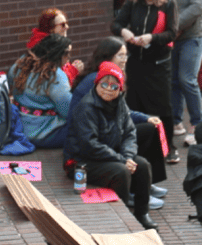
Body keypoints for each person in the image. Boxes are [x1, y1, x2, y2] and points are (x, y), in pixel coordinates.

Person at [68, 40, 169, 201]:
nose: (125, 59)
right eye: (120, 55)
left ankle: (145, 183)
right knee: (130, 154)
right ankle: (136, 187)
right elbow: (90, 139)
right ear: (107, 57)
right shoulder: (99, 81)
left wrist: (146, 118)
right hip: (91, 139)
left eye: (125, 55)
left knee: (149, 128)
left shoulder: (111, 77)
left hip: (105, 131)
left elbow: (123, 113)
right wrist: (123, 159)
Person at [66, 63, 157, 229]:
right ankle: (123, 219)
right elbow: (89, 145)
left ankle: (142, 213)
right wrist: (122, 160)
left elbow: (130, 133)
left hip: (110, 155)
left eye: (114, 86)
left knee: (143, 165)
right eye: (104, 84)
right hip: (83, 161)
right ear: (96, 84)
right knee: (121, 171)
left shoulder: (120, 103)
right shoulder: (86, 107)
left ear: (120, 89)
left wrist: (128, 157)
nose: (108, 89)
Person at [115, 0, 180, 150]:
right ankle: (137, 145)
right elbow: (117, 23)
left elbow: (172, 32)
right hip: (136, 62)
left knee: (162, 106)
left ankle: (168, 147)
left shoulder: (168, 4)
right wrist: (124, 31)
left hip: (159, 64)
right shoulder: (134, 2)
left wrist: (152, 38)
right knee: (134, 103)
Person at [153, 0, 202, 138]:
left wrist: (173, 28)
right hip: (172, 35)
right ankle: (176, 122)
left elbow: (197, 7)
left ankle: (198, 124)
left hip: (194, 34)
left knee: (187, 79)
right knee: (173, 80)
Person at [11, 35, 76, 149]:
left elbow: (11, 82)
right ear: (57, 54)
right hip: (44, 134)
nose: (69, 57)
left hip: (19, 128)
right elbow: (68, 110)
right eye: (67, 54)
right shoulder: (56, 76)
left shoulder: (21, 64)